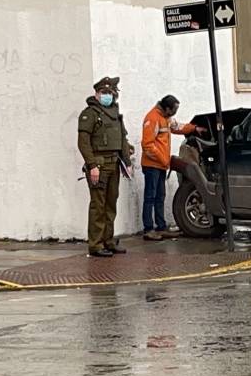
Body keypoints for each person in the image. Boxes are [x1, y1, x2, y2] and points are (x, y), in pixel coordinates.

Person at [77, 77, 134, 257]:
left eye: (110, 93)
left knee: (110, 205)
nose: (107, 96)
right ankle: (95, 244)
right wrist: (92, 165)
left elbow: (122, 140)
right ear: (97, 93)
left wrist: (128, 162)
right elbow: (83, 143)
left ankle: (108, 240)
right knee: (98, 206)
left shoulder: (115, 113)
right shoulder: (90, 114)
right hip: (99, 166)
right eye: (104, 93)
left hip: (115, 164)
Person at [141, 95, 205, 241]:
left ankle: (161, 227)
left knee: (160, 196)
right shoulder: (152, 118)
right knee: (150, 197)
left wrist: (194, 128)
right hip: (152, 165)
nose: (174, 113)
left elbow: (178, 127)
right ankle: (148, 229)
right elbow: (147, 145)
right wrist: (163, 159)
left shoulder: (166, 118)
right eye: (174, 110)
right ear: (167, 108)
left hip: (161, 165)